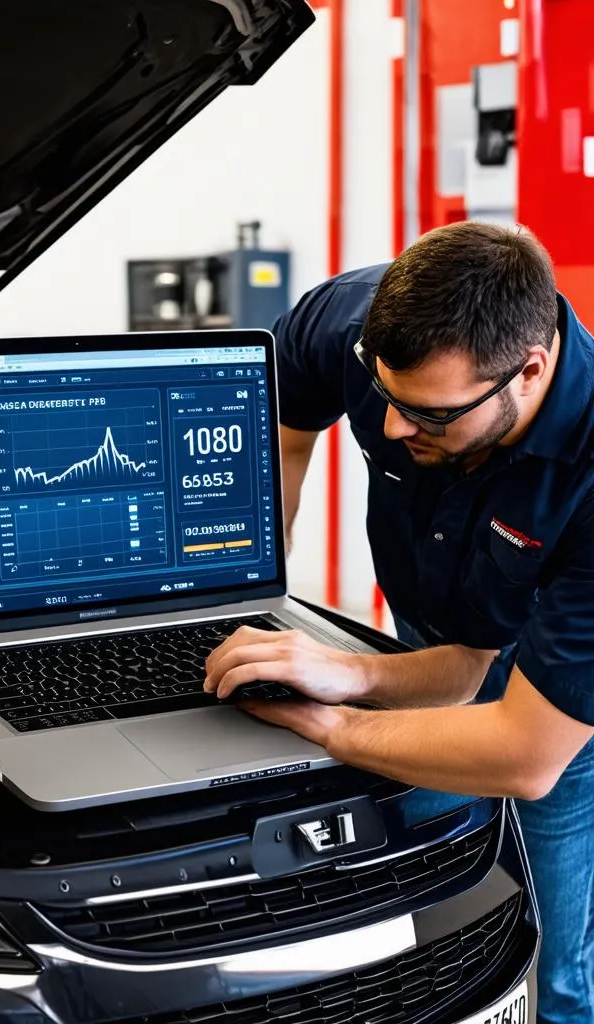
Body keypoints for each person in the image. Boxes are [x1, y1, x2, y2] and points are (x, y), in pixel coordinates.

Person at [202, 221, 594, 1024]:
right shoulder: (350, 324)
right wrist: (256, 598)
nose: (389, 429)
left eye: (427, 415)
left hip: (553, 696)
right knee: (419, 882)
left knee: (554, 937)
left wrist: (334, 723)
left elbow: (526, 753)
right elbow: (280, 433)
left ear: (528, 371)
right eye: (385, 398)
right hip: (429, 628)